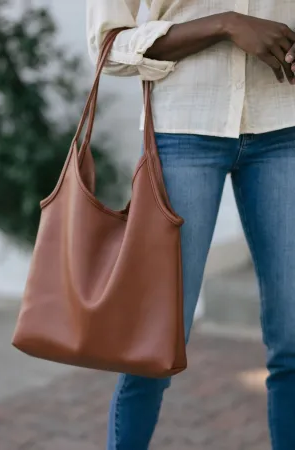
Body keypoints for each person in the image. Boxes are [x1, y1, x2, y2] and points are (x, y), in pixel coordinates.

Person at [86, 1, 295, 449]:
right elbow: (108, 44)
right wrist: (226, 24)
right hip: (182, 132)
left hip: (286, 125)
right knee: (153, 342)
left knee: (294, 340)